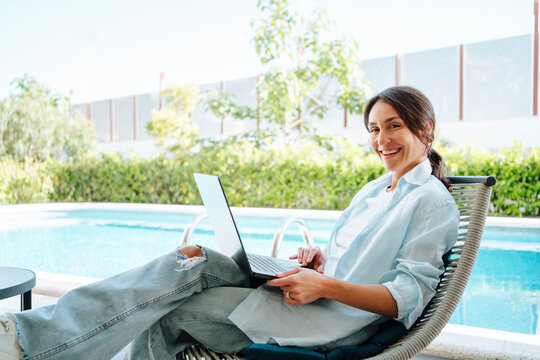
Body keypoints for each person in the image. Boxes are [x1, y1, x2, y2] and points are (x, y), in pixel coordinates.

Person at [0, 86, 458, 360]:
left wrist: (326, 287)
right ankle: (29, 337)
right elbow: (353, 261)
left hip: (336, 320)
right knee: (192, 258)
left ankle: (26, 339)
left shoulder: (432, 202)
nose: (382, 140)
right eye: (374, 129)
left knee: (169, 310)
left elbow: (406, 298)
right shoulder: (376, 190)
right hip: (318, 294)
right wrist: (321, 264)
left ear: (425, 129)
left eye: (393, 126)